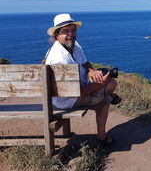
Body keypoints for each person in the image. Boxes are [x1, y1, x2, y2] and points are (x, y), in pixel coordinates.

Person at [44, 13, 119, 145]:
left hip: (77, 88)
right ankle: (102, 138)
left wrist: (91, 71)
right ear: (56, 35)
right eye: (65, 31)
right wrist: (100, 83)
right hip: (66, 100)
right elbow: (76, 92)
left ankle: (108, 95)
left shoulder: (73, 45)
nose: (71, 34)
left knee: (112, 83)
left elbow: (84, 61)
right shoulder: (59, 60)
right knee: (105, 99)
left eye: (73, 30)